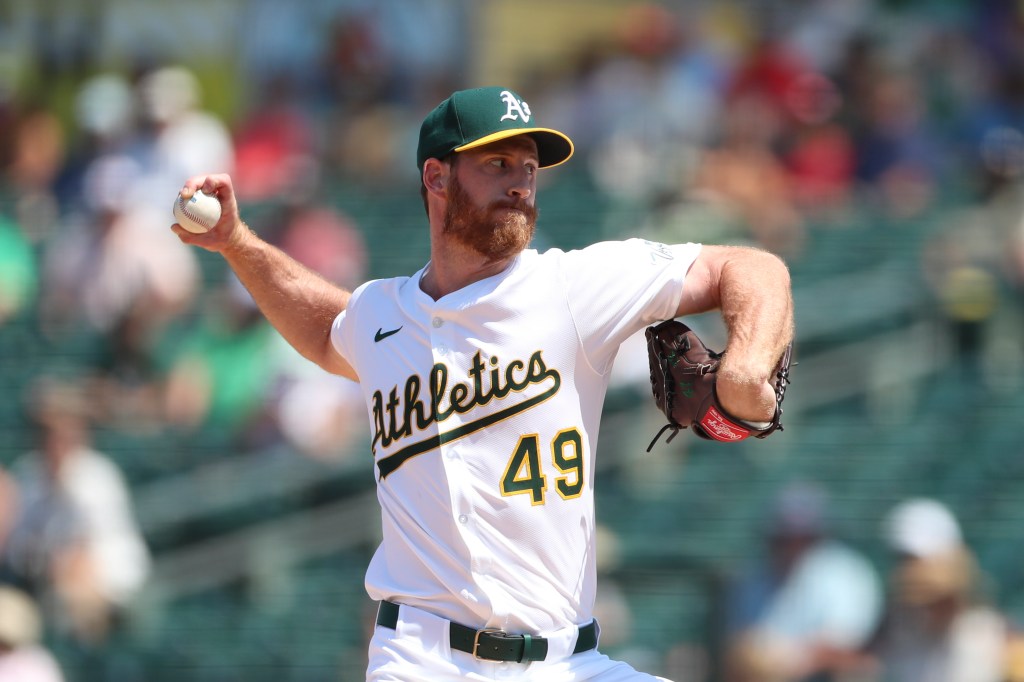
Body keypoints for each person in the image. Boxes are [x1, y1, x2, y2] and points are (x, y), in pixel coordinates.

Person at [172, 85, 794, 681]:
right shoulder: (381, 315)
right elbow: (323, 327)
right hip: (423, 660)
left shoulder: (573, 288)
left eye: (528, 166)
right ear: (436, 178)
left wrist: (746, 364)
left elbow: (749, 265)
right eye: (497, 162)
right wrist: (234, 241)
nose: (520, 180)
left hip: (569, 662)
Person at [722, 481, 882, 682]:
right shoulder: (752, 577)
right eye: (785, 537)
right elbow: (740, 642)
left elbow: (848, 648)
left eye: (802, 537)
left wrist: (789, 659)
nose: (793, 545)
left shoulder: (845, 572)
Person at [863, 498, 1012, 682]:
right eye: (904, 560)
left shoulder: (987, 632)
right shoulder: (897, 626)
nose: (911, 571)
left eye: (913, 560)